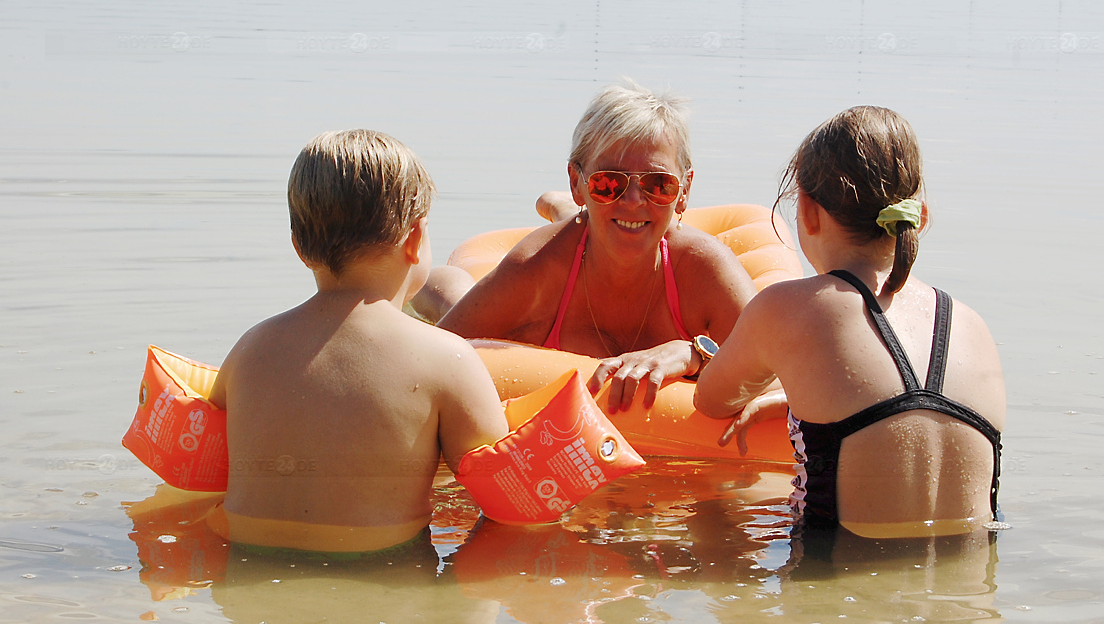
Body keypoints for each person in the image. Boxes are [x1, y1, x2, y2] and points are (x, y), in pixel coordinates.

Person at [694, 106, 1005, 538]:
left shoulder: (785, 308)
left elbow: (712, 401)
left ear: (808, 213)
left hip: (831, 581)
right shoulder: (972, 326)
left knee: (706, 528)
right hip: (966, 596)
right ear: (921, 216)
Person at [208, 129, 508, 554]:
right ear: (415, 239)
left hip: (245, 581)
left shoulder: (250, 349)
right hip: (385, 583)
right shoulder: (446, 358)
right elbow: (506, 492)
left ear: (299, 247)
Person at [438, 79, 758, 413]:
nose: (634, 200)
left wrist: (695, 354)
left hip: (596, 225)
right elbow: (432, 357)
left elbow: (784, 374)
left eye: (658, 184)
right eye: (608, 183)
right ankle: (443, 283)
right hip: (573, 242)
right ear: (577, 182)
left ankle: (571, 206)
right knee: (448, 296)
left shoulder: (703, 265)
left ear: (685, 190)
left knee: (610, 221)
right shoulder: (536, 266)